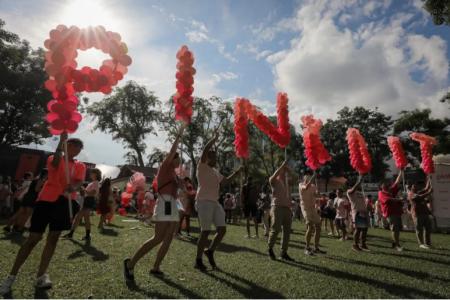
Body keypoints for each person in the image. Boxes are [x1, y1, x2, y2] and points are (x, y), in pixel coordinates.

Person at [0, 134, 86, 295]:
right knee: (33, 239)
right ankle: (11, 276)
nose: (77, 149)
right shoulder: (55, 158)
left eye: (79, 147)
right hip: (47, 200)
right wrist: (61, 142)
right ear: (67, 146)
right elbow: (54, 162)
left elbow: (79, 181)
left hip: (65, 202)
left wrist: (73, 187)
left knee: (53, 238)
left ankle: (41, 275)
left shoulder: (80, 166)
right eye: (74, 145)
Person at [123, 124, 186, 282]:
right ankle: (130, 264)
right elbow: (172, 152)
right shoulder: (165, 167)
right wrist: (179, 134)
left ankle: (156, 267)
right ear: (173, 159)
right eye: (177, 158)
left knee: (169, 238)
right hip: (165, 203)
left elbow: (185, 189)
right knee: (158, 237)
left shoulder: (175, 174)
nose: (179, 161)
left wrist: (183, 185)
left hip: (172, 204)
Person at [194, 130, 242, 271]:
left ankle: (209, 251)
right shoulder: (201, 167)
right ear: (207, 158)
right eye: (214, 156)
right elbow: (205, 149)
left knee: (222, 230)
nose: (216, 158)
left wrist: (237, 173)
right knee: (205, 231)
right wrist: (214, 138)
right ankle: (198, 260)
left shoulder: (215, 171)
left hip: (215, 203)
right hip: (203, 202)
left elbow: (226, 182)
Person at [64, 168, 102, 241]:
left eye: (92, 173)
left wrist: (84, 190)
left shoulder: (96, 182)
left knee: (78, 217)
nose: (90, 174)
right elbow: (88, 193)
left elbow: (93, 193)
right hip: (88, 200)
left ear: (96, 174)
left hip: (89, 201)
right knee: (84, 218)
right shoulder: (93, 182)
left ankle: (71, 234)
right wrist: (83, 191)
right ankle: (85, 236)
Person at [267, 160, 294, 261]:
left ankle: (283, 252)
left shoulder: (287, 181)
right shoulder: (274, 180)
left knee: (287, 231)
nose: (284, 170)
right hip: (277, 207)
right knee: (276, 229)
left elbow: (295, 179)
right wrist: (282, 166)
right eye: (283, 169)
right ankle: (269, 249)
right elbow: (273, 177)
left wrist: (289, 171)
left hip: (287, 208)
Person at [300, 172, 325, 256]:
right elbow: (306, 187)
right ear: (304, 179)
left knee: (318, 225)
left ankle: (316, 248)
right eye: (306, 177)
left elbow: (317, 195)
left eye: (309, 177)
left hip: (312, 208)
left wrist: (318, 188)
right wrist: (313, 177)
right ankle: (306, 248)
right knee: (310, 226)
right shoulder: (301, 185)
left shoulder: (313, 186)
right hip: (305, 208)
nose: (308, 178)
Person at [378, 170, 404, 251]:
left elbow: (397, 181)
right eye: (384, 183)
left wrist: (401, 170)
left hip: (397, 212)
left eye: (387, 183)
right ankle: (397, 245)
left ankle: (394, 243)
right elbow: (388, 199)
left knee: (397, 229)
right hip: (390, 213)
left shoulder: (391, 190)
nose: (387, 184)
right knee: (394, 228)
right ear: (381, 186)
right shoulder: (381, 192)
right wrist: (398, 199)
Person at [408, 177, 433, 249]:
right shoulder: (411, 194)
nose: (416, 186)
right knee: (419, 230)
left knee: (428, 228)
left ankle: (427, 243)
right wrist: (429, 192)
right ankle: (421, 243)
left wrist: (429, 178)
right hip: (417, 214)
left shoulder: (418, 192)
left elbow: (426, 188)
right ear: (411, 188)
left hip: (425, 213)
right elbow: (419, 197)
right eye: (413, 186)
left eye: (416, 185)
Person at [347, 176, 370, 251]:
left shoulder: (361, 193)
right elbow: (353, 189)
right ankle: (355, 245)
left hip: (364, 212)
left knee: (365, 229)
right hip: (357, 213)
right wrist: (359, 182)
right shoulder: (350, 191)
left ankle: (363, 244)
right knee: (358, 229)